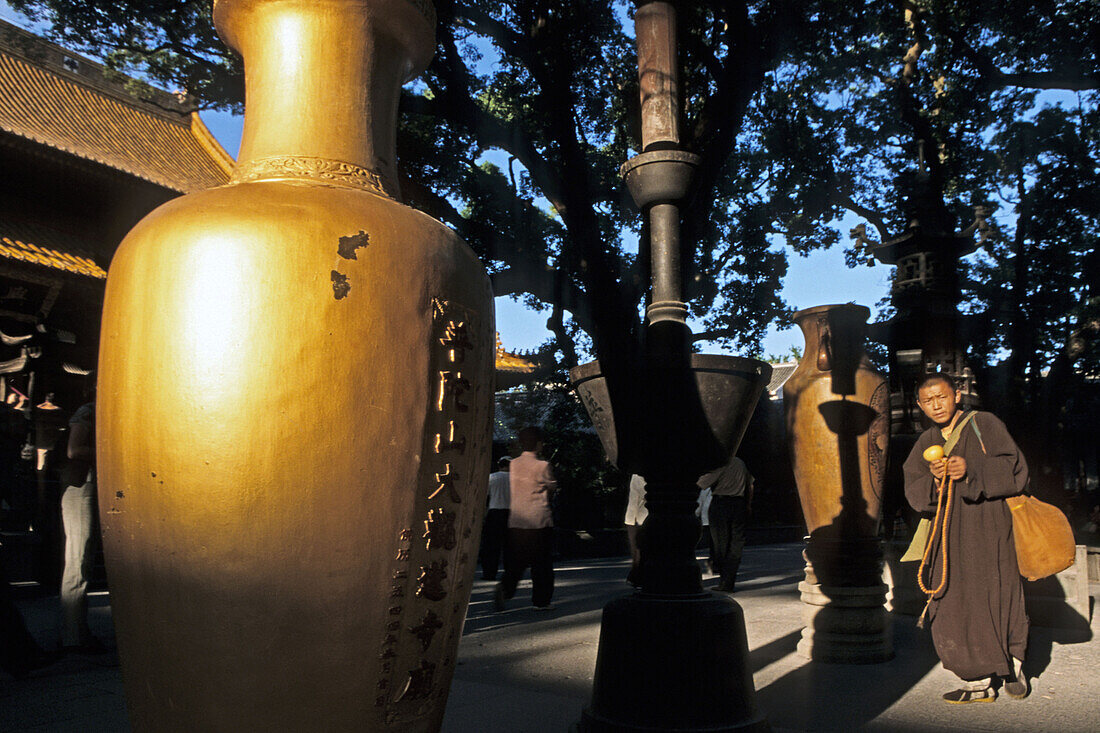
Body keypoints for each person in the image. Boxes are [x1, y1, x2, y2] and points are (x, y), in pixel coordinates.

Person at [903, 373, 1029, 703]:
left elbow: (1016, 469)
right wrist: (935, 482)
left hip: (988, 527)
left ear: (957, 395)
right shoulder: (925, 440)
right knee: (951, 600)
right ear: (920, 405)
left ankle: (1012, 665)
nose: (936, 405)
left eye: (941, 397)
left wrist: (970, 469)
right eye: (928, 401)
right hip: (946, 533)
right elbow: (913, 489)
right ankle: (975, 681)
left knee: (997, 591)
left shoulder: (983, 423)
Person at [58, 377, 104, 654]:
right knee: (78, 559)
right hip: (79, 487)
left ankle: (78, 632)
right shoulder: (88, 411)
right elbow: (74, 450)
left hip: (86, 486)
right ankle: (73, 637)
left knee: (83, 558)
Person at [494, 427, 557, 611]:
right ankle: (541, 600)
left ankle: (505, 589)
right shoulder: (542, 466)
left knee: (517, 561)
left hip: (517, 519)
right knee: (542, 563)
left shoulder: (513, 464)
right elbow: (551, 486)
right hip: (538, 519)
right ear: (538, 443)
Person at [698, 456, 753, 593]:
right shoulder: (741, 462)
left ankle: (724, 580)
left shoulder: (720, 463)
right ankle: (729, 581)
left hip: (721, 504)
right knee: (736, 545)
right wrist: (748, 504)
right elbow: (751, 484)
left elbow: (702, 483)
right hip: (739, 504)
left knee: (720, 544)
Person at [479, 457, 511, 581]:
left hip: (494, 511)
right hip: (511, 512)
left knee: (491, 545)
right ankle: (510, 572)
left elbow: (485, 496)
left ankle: (489, 573)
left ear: (499, 465)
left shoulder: (492, 477)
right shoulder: (516, 479)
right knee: (509, 545)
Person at [623, 474, 647, 587]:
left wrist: (630, 520)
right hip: (647, 516)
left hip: (639, 517)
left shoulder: (636, 476)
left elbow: (633, 499)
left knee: (638, 549)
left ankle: (638, 576)